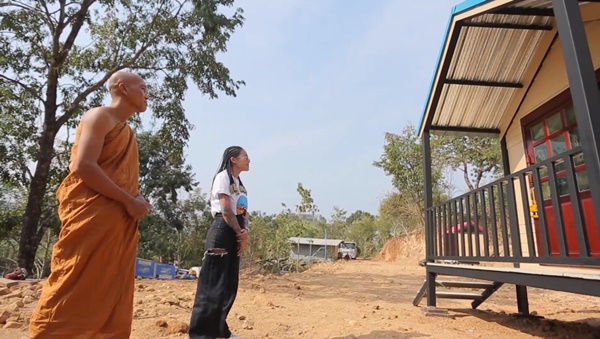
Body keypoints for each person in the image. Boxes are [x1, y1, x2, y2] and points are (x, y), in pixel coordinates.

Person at [29, 71, 153, 339]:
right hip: (92, 219)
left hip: (117, 222)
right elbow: (83, 165)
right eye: (142, 88)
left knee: (109, 286)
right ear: (122, 88)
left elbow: (117, 175)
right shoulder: (100, 116)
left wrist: (137, 199)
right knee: (73, 280)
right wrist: (129, 200)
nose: (147, 94)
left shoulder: (126, 131)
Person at [189, 146, 251, 339]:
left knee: (227, 286)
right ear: (233, 159)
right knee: (212, 287)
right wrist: (238, 231)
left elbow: (243, 211)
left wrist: (244, 233)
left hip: (235, 232)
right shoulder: (222, 178)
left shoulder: (240, 184)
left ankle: (219, 331)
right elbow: (225, 210)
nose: (249, 160)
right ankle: (201, 335)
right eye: (245, 157)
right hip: (222, 232)